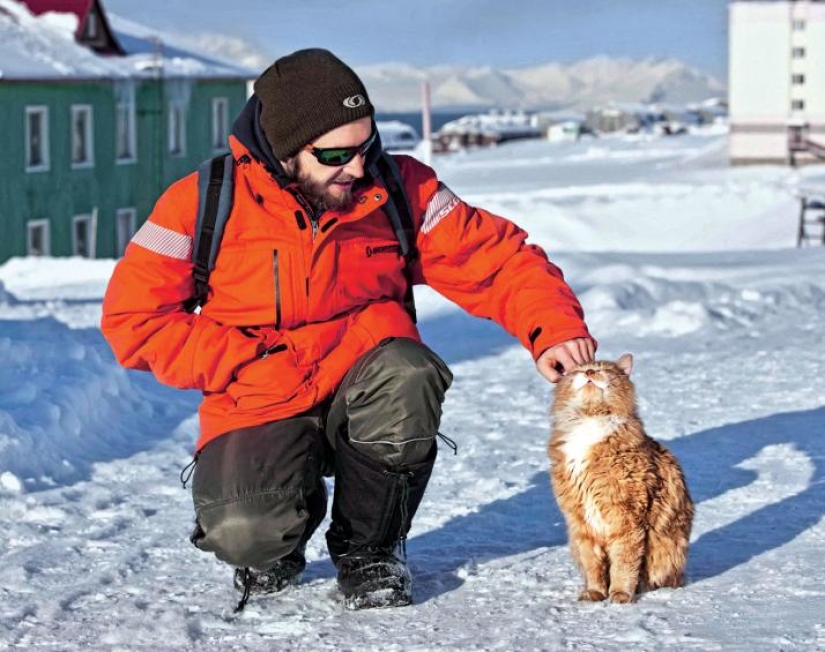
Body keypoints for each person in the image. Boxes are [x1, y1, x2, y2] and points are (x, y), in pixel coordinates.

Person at [100, 48, 596, 611]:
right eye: (336, 154)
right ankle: (278, 531)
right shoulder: (203, 202)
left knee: (408, 373)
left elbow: (497, 260)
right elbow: (134, 321)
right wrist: (245, 361)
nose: (357, 168)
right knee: (244, 534)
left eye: (366, 146)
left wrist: (554, 327)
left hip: (367, 376)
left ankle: (370, 551)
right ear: (285, 147)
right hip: (262, 390)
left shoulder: (400, 188)